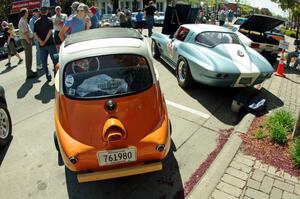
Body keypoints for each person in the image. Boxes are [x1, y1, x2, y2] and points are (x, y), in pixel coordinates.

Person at [34, 7, 58, 82]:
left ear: (40, 12)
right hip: (50, 44)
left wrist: (41, 41)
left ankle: (48, 75)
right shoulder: (50, 20)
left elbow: (35, 34)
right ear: (47, 12)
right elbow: (50, 32)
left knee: (44, 62)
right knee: (55, 60)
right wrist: (45, 41)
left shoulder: (36, 22)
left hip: (42, 46)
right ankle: (56, 74)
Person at [18, 8, 37, 79]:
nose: (28, 13)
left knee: (29, 57)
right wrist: (29, 41)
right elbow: (25, 33)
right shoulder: (22, 21)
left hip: (26, 40)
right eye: (27, 13)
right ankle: (29, 74)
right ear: (24, 13)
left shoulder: (24, 20)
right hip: (26, 40)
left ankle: (30, 71)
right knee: (28, 57)